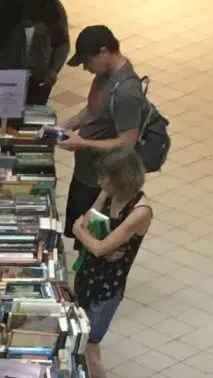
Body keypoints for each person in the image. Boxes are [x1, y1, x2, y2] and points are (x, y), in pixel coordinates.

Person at [67, 149, 151, 378]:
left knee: (90, 345)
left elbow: (100, 246)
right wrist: (85, 232)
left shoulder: (140, 211)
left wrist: (80, 232)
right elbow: (90, 223)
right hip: (88, 277)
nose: (100, 182)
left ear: (121, 178)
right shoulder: (109, 195)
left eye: (105, 177)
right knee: (80, 336)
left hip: (107, 288)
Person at [56, 25, 149, 227]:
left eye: (88, 61)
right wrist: (66, 125)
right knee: (76, 228)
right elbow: (92, 110)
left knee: (88, 234)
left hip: (103, 181)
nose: (85, 68)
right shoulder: (104, 76)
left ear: (104, 52)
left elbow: (127, 142)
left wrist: (83, 143)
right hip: (85, 171)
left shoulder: (126, 93)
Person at [0, 0, 69, 103]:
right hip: (7, 80)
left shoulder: (53, 8)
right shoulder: (3, 9)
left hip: (39, 80)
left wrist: (53, 68)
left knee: (33, 115)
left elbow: (62, 43)